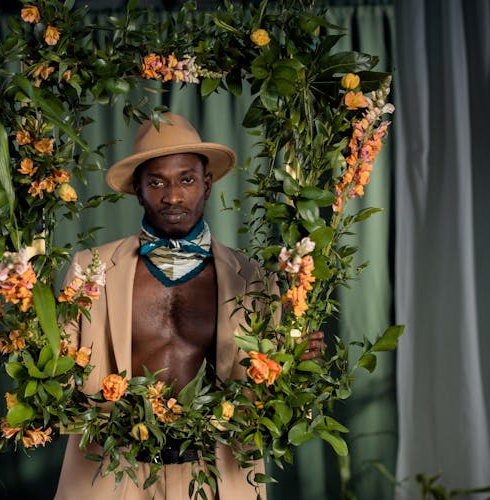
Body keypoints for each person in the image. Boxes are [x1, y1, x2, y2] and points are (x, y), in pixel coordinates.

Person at [53, 112, 325, 500]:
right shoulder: (89, 270)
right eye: (157, 182)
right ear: (138, 187)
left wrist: (298, 363)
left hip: (218, 474)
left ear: (208, 183)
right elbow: (61, 381)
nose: (173, 196)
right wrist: (33, 337)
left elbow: (266, 394)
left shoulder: (254, 278)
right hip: (114, 472)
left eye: (187, 179)